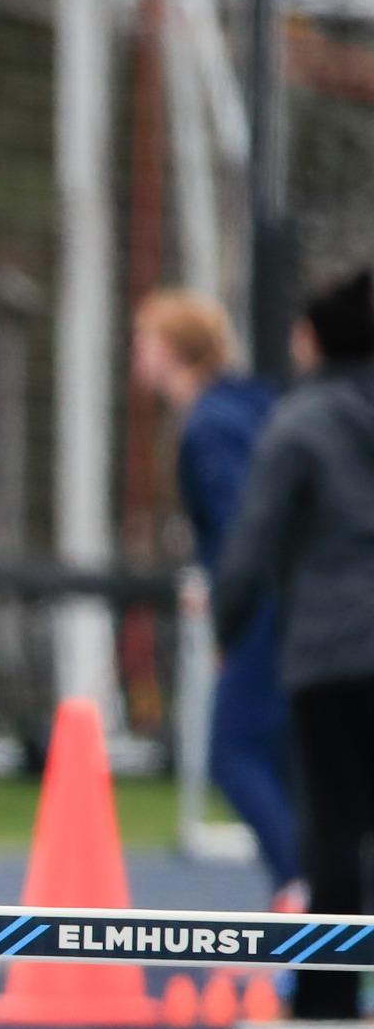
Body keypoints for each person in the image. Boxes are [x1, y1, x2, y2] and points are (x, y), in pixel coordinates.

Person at [215, 268, 374, 1020]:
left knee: (334, 831)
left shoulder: (302, 420)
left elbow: (253, 541)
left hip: (332, 653)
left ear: (316, 340)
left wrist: (227, 626)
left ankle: (327, 996)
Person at [129, 290, 304, 913]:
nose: (138, 358)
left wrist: (228, 611)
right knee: (286, 758)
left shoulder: (210, 424)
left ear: (172, 350)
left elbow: (243, 529)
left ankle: (298, 888)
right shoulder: (253, 404)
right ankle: (320, 901)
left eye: (145, 343)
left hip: (268, 605)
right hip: (299, 603)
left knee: (234, 752)